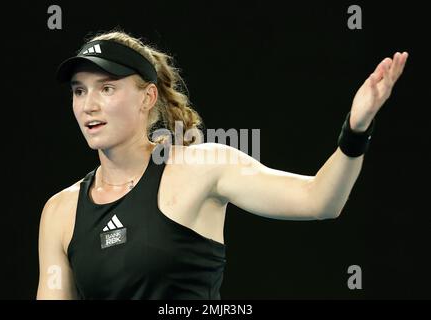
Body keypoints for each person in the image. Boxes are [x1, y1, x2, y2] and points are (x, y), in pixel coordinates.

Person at [36, 29, 408, 300]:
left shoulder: (202, 167)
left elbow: (320, 200)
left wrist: (356, 130)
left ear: (147, 97)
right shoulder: (60, 211)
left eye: (107, 87)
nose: (89, 105)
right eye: (79, 91)